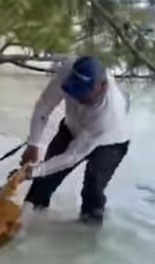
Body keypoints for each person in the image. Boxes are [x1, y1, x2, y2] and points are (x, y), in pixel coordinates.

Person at [17, 55, 129, 223]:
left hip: (110, 142)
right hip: (72, 128)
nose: (77, 98)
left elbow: (72, 156)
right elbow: (44, 107)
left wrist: (33, 171)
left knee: (93, 189)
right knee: (43, 181)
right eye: (73, 91)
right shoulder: (68, 70)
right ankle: (27, 222)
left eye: (83, 94)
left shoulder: (110, 113)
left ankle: (88, 234)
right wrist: (33, 144)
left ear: (103, 87)